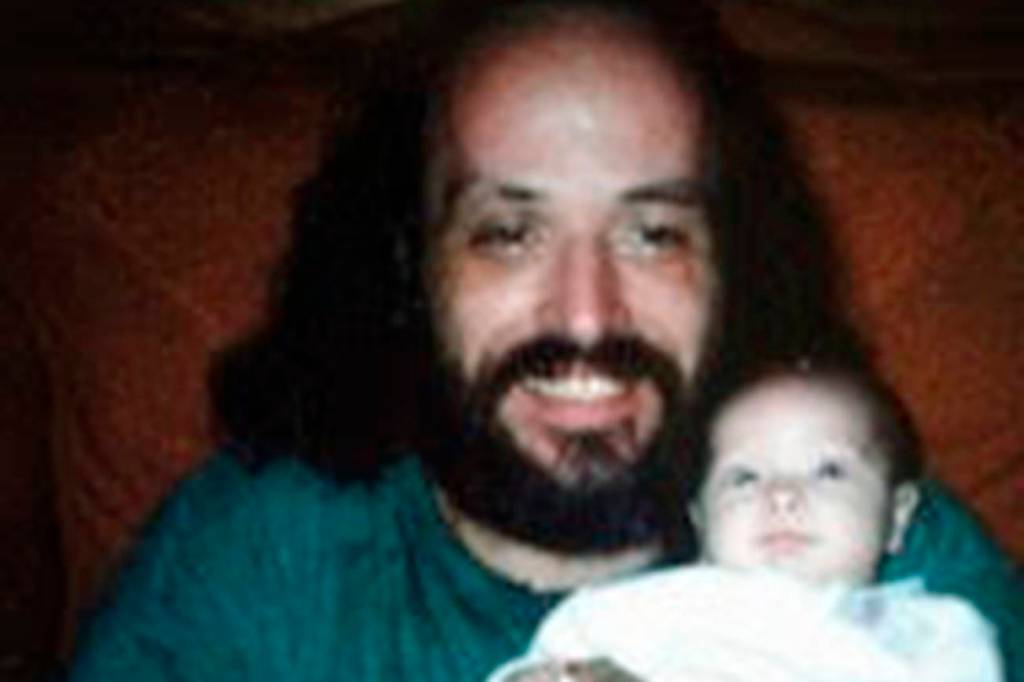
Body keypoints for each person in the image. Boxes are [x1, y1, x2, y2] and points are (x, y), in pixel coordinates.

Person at [68, 1, 1022, 681]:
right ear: (407, 262)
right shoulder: (265, 551)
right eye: (509, 232)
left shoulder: (867, 538)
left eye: (652, 233)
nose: (586, 315)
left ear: (737, 266)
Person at [487, 366, 1003, 681]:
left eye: (828, 471)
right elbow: (541, 668)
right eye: (744, 477)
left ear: (897, 515)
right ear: (700, 518)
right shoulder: (642, 607)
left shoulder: (937, 633)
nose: (781, 495)